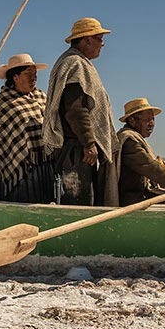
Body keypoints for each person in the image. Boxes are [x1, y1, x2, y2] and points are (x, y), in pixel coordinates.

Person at [41, 18, 117, 206]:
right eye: (99, 38)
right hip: (76, 148)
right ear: (86, 40)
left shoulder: (77, 62)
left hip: (77, 146)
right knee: (78, 199)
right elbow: (75, 109)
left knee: (80, 196)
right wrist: (89, 142)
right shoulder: (75, 64)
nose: (103, 43)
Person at [0, 53, 57, 203]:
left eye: (35, 74)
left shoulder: (41, 97)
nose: (33, 77)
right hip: (17, 164)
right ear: (15, 77)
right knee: (19, 201)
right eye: (28, 73)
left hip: (43, 163)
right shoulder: (4, 100)